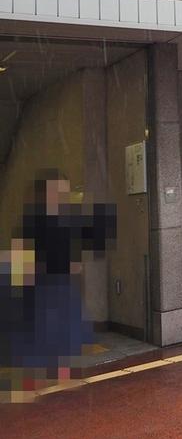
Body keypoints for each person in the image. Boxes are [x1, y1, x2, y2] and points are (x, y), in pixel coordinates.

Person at [1, 171, 116, 401]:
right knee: (40, 338)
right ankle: (33, 386)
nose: (61, 197)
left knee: (65, 338)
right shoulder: (31, 224)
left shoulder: (66, 222)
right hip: (41, 292)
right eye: (56, 192)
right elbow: (20, 260)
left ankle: (61, 380)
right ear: (42, 195)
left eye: (64, 192)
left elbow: (81, 251)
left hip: (62, 291)